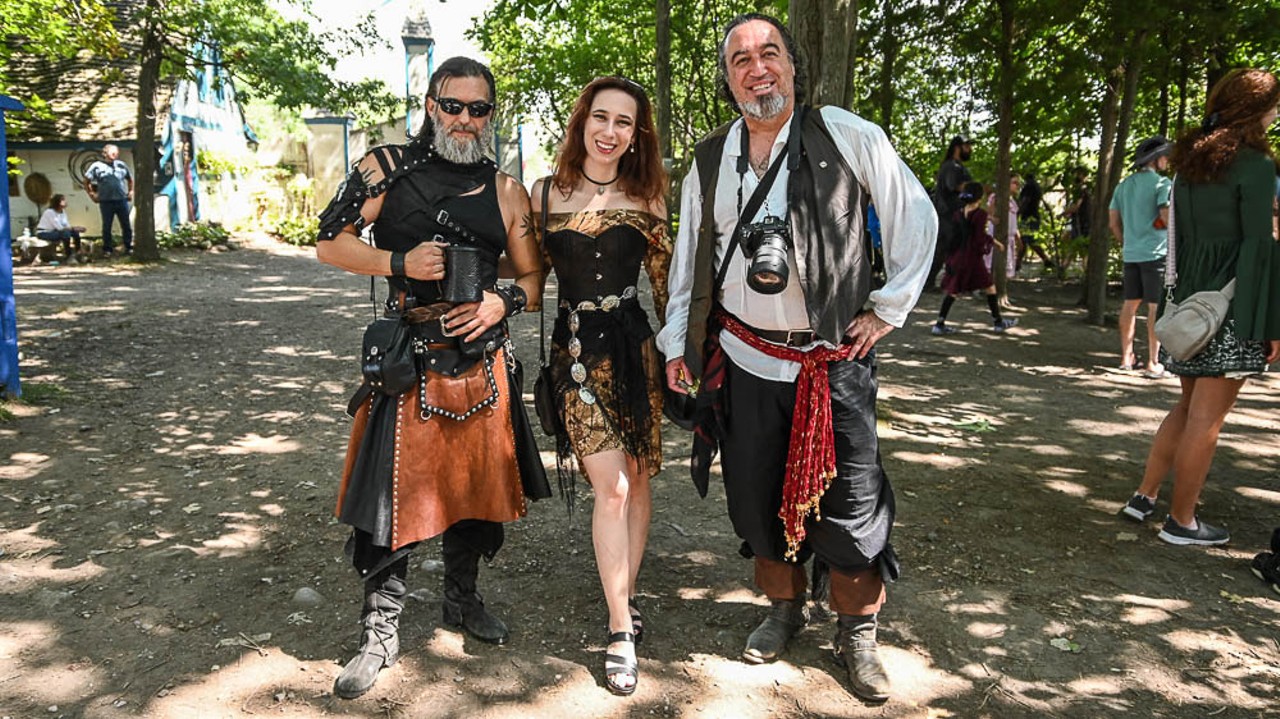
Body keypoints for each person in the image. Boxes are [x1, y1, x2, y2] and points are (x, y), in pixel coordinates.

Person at [658, 14, 937, 703]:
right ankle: (784, 607)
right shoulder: (707, 160)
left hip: (834, 364)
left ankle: (857, 630)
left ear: (791, 64)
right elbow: (687, 266)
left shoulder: (846, 134)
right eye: (740, 60)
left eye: (769, 53)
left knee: (853, 503)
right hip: (746, 361)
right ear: (728, 79)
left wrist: (888, 307)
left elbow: (916, 215)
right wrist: (676, 343)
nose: (757, 68)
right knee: (754, 496)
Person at [314, 56, 550, 699]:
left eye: (479, 109)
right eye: (454, 106)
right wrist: (396, 259)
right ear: (430, 104)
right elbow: (328, 242)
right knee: (393, 500)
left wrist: (507, 301)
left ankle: (461, 601)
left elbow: (533, 275)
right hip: (408, 360)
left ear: (490, 113)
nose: (466, 120)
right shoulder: (385, 168)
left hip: (481, 361)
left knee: (474, 489)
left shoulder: (507, 191)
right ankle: (380, 631)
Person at [531, 76, 670, 696]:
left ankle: (626, 594)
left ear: (636, 134)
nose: (610, 132)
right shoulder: (543, 195)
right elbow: (525, 274)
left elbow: (671, 291)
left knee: (636, 480)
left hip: (636, 352)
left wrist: (692, 357)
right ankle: (620, 629)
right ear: (583, 120)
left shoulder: (649, 197)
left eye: (625, 123)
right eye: (602, 117)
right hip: (576, 356)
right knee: (610, 486)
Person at [1120, 68, 1280, 546]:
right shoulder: (1254, 165)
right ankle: (1182, 522)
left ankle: (1144, 496)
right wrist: (1270, 321)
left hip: (1193, 304)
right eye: (1274, 105)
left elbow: (1178, 239)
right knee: (1207, 420)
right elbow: (1259, 247)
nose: (1276, 115)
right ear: (1255, 110)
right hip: (1233, 306)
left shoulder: (1191, 161)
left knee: (1188, 406)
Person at [1108, 136, 1172, 375]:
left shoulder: (1123, 185)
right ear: (1156, 159)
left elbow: (1113, 223)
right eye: (1166, 156)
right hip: (1156, 253)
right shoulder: (1162, 184)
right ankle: (1154, 362)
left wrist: (1128, 242)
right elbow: (1166, 218)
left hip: (1131, 253)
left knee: (1130, 304)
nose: (1168, 160)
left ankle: (1126, 359)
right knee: (1156, 307)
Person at [931, 181, 1018, 335]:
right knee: (989, 287)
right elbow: (979, 238)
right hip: (972, 258)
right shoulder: (980, 214)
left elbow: (959, 235)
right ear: (979, 197)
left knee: (953, 290)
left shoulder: (958, 213)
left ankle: (939, 323)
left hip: (958, 256)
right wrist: (992, 245)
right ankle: (998, 322)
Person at [928, 135, 974, 290]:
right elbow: (953, 186)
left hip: (955, 215)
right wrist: (973, 188)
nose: (970, 149)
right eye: (967, 146)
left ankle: (950, 282)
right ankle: (928, 283)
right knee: (942, 249)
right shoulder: (951, 167)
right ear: (957, 147)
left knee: (954, 249)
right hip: (947, 214)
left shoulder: (958, 166)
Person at [83, 144, 133, 256]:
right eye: (112, 152)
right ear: (105, 153)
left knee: (126, 225)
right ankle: (107, 249)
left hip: (121, 200)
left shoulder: (121, 165)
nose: (115, 155)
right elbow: (86, 181)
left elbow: (130, 179)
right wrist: (92, 194)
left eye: (116, 152)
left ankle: (128, 246)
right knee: (107, 226)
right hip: (106, 201)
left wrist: (130, 192)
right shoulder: (97, 166)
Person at [1017, 172, 1054, 270]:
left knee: (1029, 239)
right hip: (1034, 215)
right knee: (1024, 240)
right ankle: (1017, 263)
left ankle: (1045, 259)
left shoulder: (1029, 186)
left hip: (1029, 216)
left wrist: (1018, 212)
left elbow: (1026, 200)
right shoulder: (1037, 187)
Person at [35, 194, 86, 263]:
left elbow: (67, 225)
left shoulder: (63, 212)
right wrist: (74, 228)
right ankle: (68, 255)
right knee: (66, 233)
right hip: (44, 233)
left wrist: (75, 229)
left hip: (55, 232)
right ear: (57, 202)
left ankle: (78, 253)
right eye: (63, 200)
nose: (65, 202)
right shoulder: (50, 212)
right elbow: (60, 228)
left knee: (75, 233)